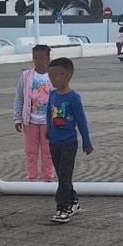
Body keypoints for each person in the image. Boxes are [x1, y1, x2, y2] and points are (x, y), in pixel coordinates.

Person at [45, 57, 93, 222]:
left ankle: (62, 208)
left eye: (56, 76)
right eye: (50, 77)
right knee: (62, 175)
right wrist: (48, 129)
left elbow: (81, 120)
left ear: (67, 75)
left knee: (65, 175)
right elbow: (48, 113)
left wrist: (87, 142)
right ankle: (73, 201)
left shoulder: (73, 98)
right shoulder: (52, 95)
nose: (53, 80)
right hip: (54, 142)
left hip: (68, 142)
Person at [13, 44, 55, 182]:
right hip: (30, 121)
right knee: (31, 152)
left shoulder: (54, 76)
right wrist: (17, 118)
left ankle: (48, 178)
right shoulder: (26, 76)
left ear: (48, 58)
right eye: (35, 58)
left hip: (48, 121)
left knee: (48, 151)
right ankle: (32, 178)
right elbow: (19, 97)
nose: (39, 61)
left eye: (43, 58)